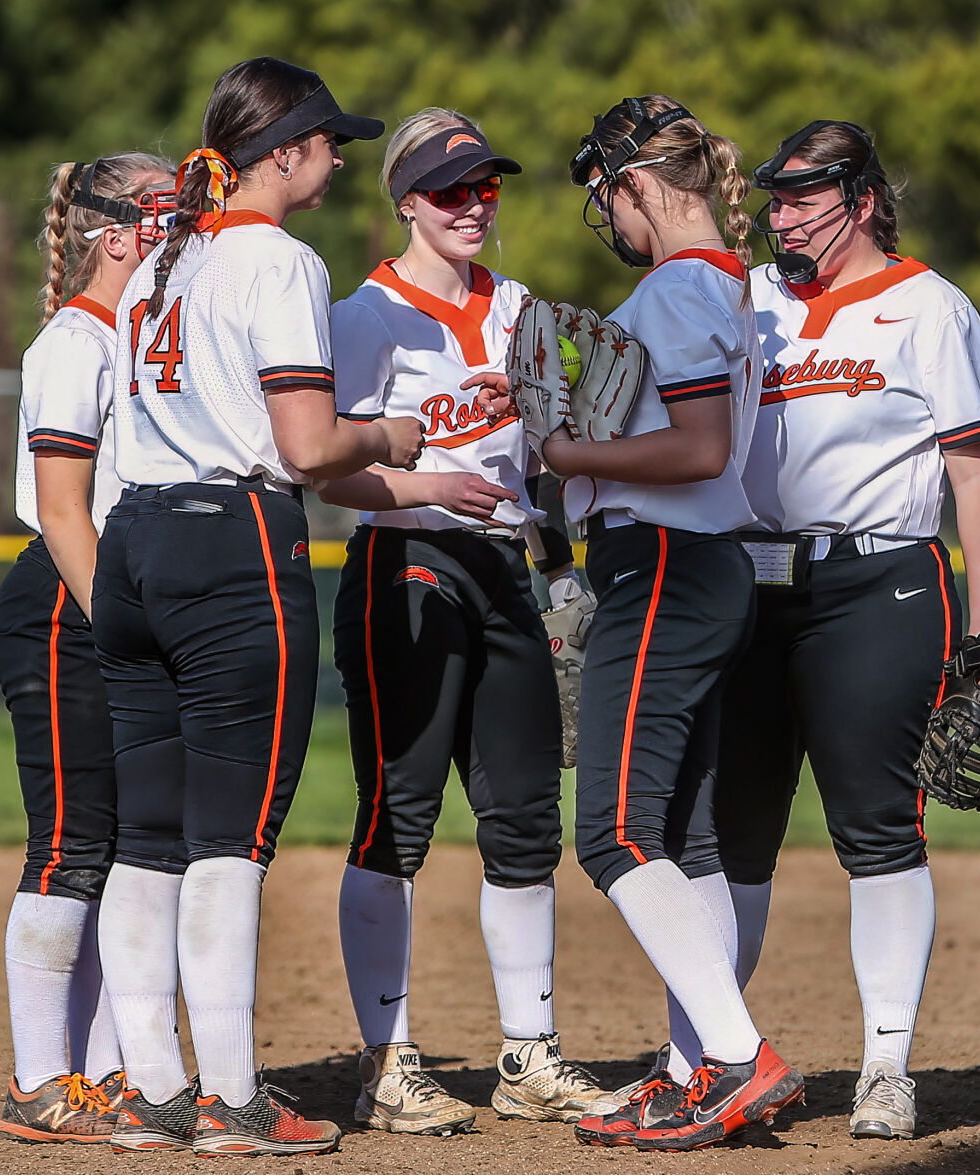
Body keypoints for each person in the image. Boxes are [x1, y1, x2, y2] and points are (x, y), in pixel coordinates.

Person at [91, 57, 422, 1157]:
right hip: (230, 547)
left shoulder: (164, 257)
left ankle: (150, 1090)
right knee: (230, 841)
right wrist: (390, 435)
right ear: (282, 152)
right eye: (329, 144)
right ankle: (231, 1098)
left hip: (132, 543)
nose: (339, 162)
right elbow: (309, 447)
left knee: (146, 837)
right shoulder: (277, 258)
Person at [512, 95, 805, 1151]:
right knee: (686, 840)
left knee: (614, 831)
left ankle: (733, 1056)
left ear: (636, 182)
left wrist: (566, 455)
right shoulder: (727, 287)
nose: (610, 215)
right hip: (704, 565)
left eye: (609, 193)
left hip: (668, 565)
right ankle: (692, 1072)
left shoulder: (678, 289)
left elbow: (695, 447)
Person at [317, 107, 615, 1136]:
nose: (473, 204)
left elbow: (549, 451)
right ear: (406, 201)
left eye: (485, 185)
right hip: (405, 561)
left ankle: (528, 1054)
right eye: (450, 189)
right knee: (397, 814)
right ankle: (385, 1059)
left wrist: (553, 482)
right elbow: (326, 470)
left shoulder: (519, 305)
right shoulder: (365, 315)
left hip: (502, 568)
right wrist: (426, 480)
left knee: (525, 816)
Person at [716, 119, 980, 1142]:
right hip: (746, 585)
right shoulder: (746, 299)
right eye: (776, 195)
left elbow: (972, 470)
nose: (782, 213)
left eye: (804, 195)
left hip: (877, 581)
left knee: (878, 829)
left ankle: (884, 1065)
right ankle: (708, 1056)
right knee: (728, 831)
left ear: (863, 200)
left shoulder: (928, 306)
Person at [0, 150, 173, 1144]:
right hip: (68, 602)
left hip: (113, 604)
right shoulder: (75, 340)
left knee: (125, 847)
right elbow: (64, 512)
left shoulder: (144, 339)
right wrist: (124, 628)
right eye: (167, 215)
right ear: (117, 235)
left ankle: (105, 1073)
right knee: (70, 841)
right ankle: (37, 1078)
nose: (181, 233)